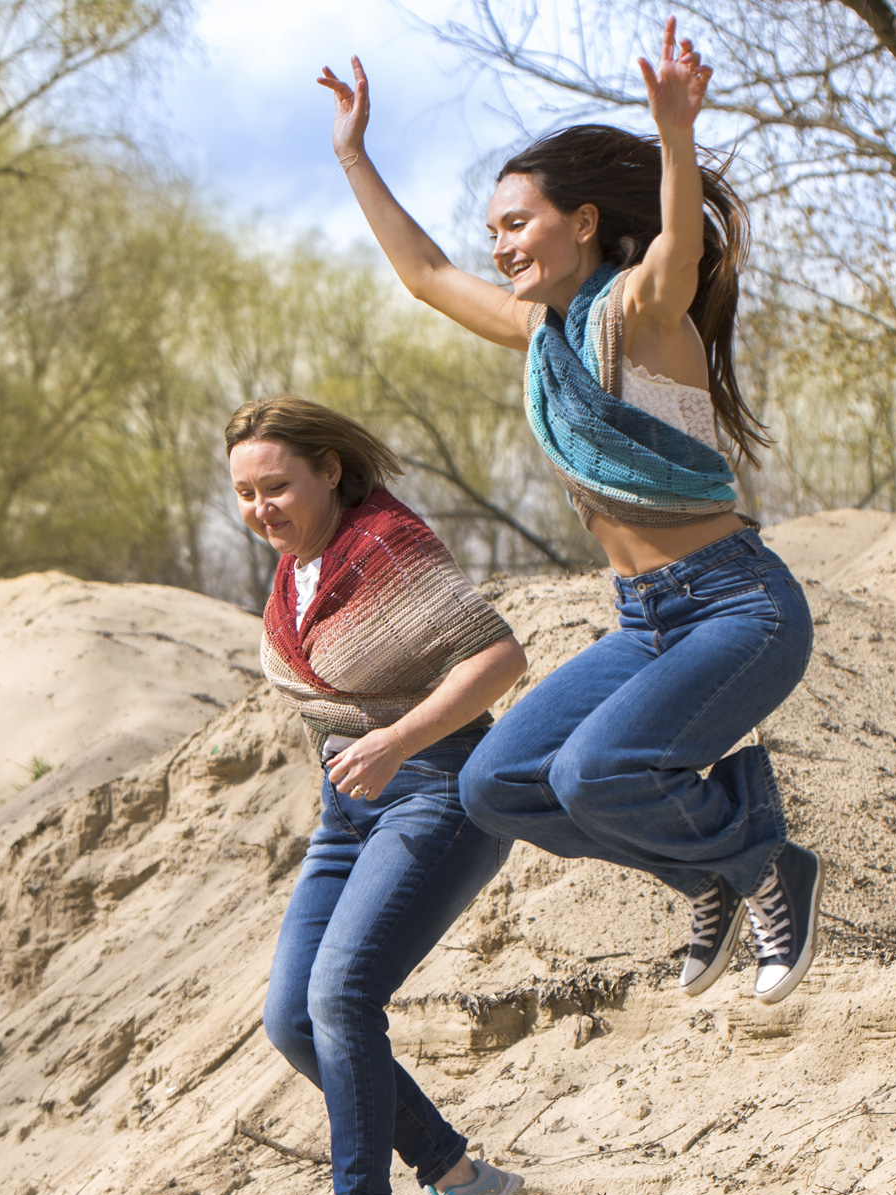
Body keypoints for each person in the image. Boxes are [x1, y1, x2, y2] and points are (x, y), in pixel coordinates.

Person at [318, 14, 821, 1007]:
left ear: (583, 221)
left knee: (597, 772)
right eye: (494, 230)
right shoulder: (540, 334)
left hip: (737, 610)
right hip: (645, 624)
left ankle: (766, 864)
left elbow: (680, 245)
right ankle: (707, 874)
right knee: (498, 783)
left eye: (517, 223)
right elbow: (421, 276)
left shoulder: (639, 310)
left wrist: (675, 133)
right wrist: (352, 155)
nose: (500, 245)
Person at [227, 396, 527, 1195]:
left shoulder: (385, 547)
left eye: (276, 485)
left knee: (341, 995)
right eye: (243, 493)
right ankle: (459, 1175)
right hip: (346, 807)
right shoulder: (295, 575)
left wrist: (397, 738)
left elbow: (498, 657)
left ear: (328, 469)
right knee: (291, 1018)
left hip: (436, 784)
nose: (260, 508)